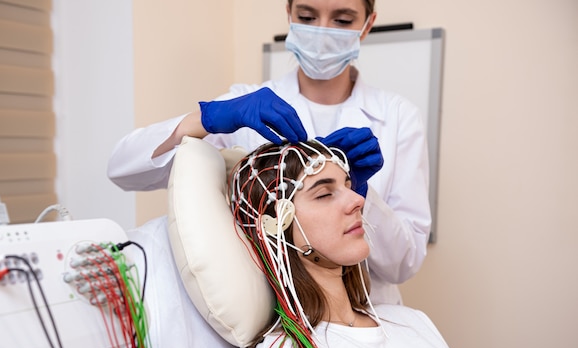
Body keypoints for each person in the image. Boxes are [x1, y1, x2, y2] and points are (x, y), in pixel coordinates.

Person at [107, 0, 430, 305]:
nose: (321, 31)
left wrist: (359, 195)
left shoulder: (399, 117)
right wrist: (206, 119)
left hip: (369, 311)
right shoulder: (250, 107)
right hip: (276, 317)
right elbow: (124, 169)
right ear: (288, 12)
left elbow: (405, 264)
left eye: (342, 20)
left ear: (367, 24)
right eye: (306, 17)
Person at [229, 139, 488, 348]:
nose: (358, 200)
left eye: (348, 186)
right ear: (276, 225)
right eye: (325, 194)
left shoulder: (411, 321)